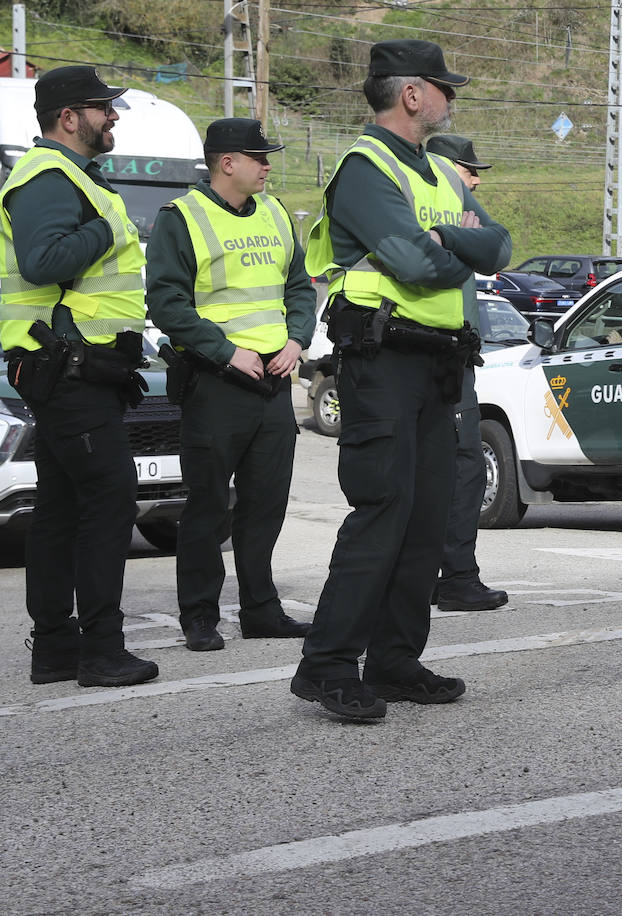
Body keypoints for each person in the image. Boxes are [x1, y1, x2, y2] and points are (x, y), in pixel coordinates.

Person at [292, 40, 511, 720]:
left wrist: (448, 246)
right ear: (412, 94)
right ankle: (327, 665)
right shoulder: (365, 167)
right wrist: (452, 247)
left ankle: (393, 659)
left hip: (437, 363)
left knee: (425, 518)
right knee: (383, 509)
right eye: (445, 87)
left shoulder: (440, 174)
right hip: (383, 358)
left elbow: (499, 245)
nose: (453, 98)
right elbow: (415, 265)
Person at [0, 66, 158, 687]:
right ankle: (100, 648)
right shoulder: (46, 177)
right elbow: (42, 263)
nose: (113, 116)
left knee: (63, 509)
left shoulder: (75, 178)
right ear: (69, 117)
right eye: (102, 108)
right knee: (109, 500)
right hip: (68, 369)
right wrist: (109, 226)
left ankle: (57, 649)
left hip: (78, 369)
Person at [145, 118, 316, 651]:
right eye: (258, 156)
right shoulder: (183, 218)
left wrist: (297, 338)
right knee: (208, 506)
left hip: (274, 381)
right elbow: (166, 303)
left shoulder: (276, 211)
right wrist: (224, 351)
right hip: (216, 383)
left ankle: (261, 609)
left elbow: (298, 286)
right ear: (227, 163)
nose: (267, 166)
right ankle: (199, 615)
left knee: (266, 503)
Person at [424, 134, 507, 613]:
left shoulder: (447, 206)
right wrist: (462, 236)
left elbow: (496, 246)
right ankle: (453, 576)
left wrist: (464, 237)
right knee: (459, 468)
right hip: (435, 354)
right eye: (469, 169)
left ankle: (450, 575)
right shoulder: (434, 205)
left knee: (460, 468)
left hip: (453, 355)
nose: (475, 179)